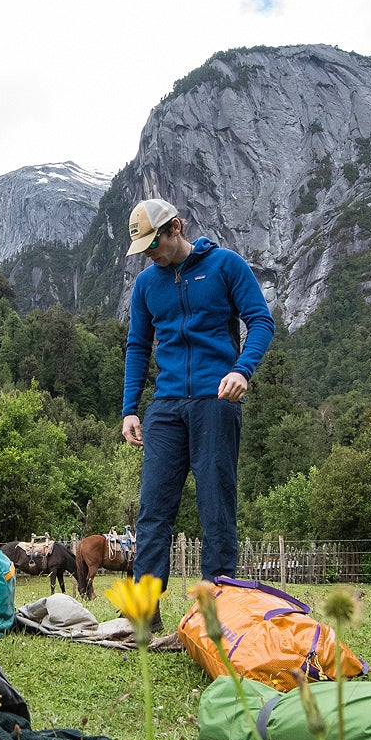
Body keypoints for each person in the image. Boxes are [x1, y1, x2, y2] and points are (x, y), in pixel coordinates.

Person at [120, 199, 275, 583]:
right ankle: (142, 615)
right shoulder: (146, 284)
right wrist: (130, 408)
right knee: (153, 510)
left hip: (216, 400)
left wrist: (243, 370)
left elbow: (261, 322)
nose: (149, 255)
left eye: (153, 245)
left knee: (216, 507)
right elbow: (138, 346)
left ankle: (217, 610)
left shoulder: (225, 265)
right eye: (143, 250)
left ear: (175, 228)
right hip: (166, 406)